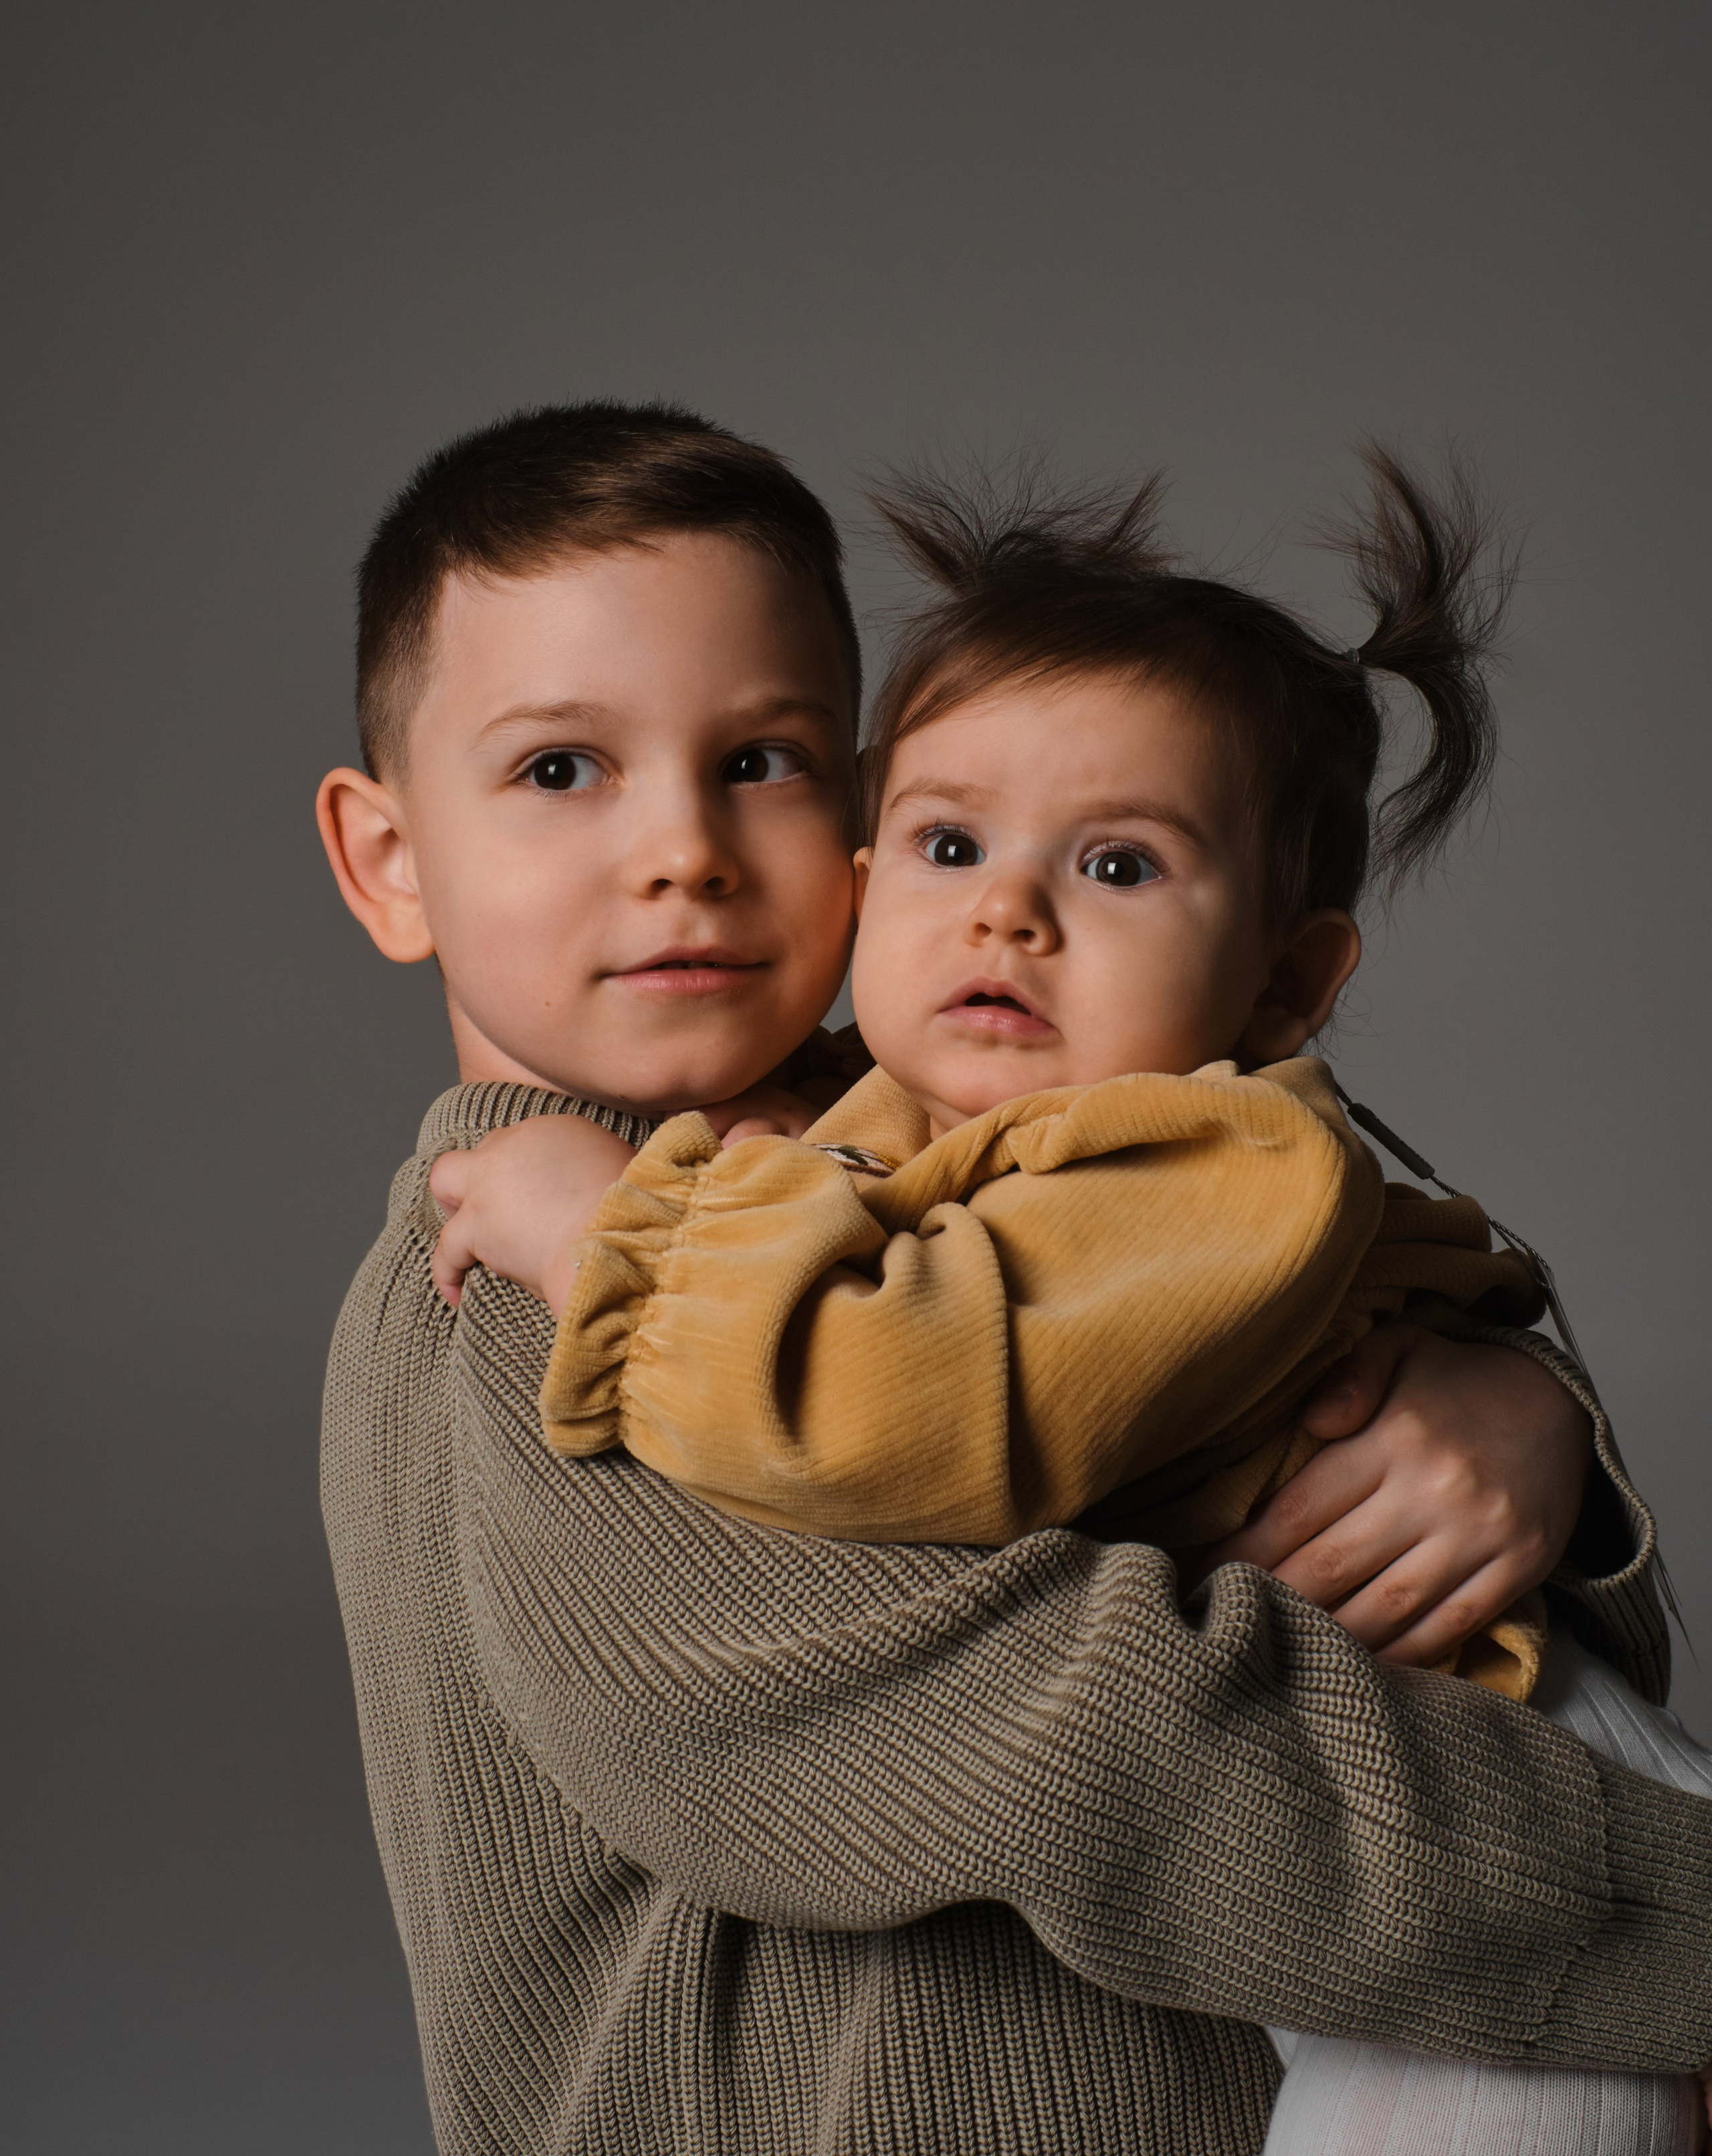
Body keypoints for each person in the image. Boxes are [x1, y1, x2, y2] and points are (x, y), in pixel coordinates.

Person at [318, 404, 1712, 2156]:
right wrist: (1681, 1922)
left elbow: (1323, 1244)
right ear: (389, 859)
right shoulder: (529, 1288)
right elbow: (1093, 1750)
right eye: (557, 769)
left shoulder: (965, 1131)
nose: (682, 847)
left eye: (763, 759)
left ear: (862, 811)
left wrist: (1525, 1432)